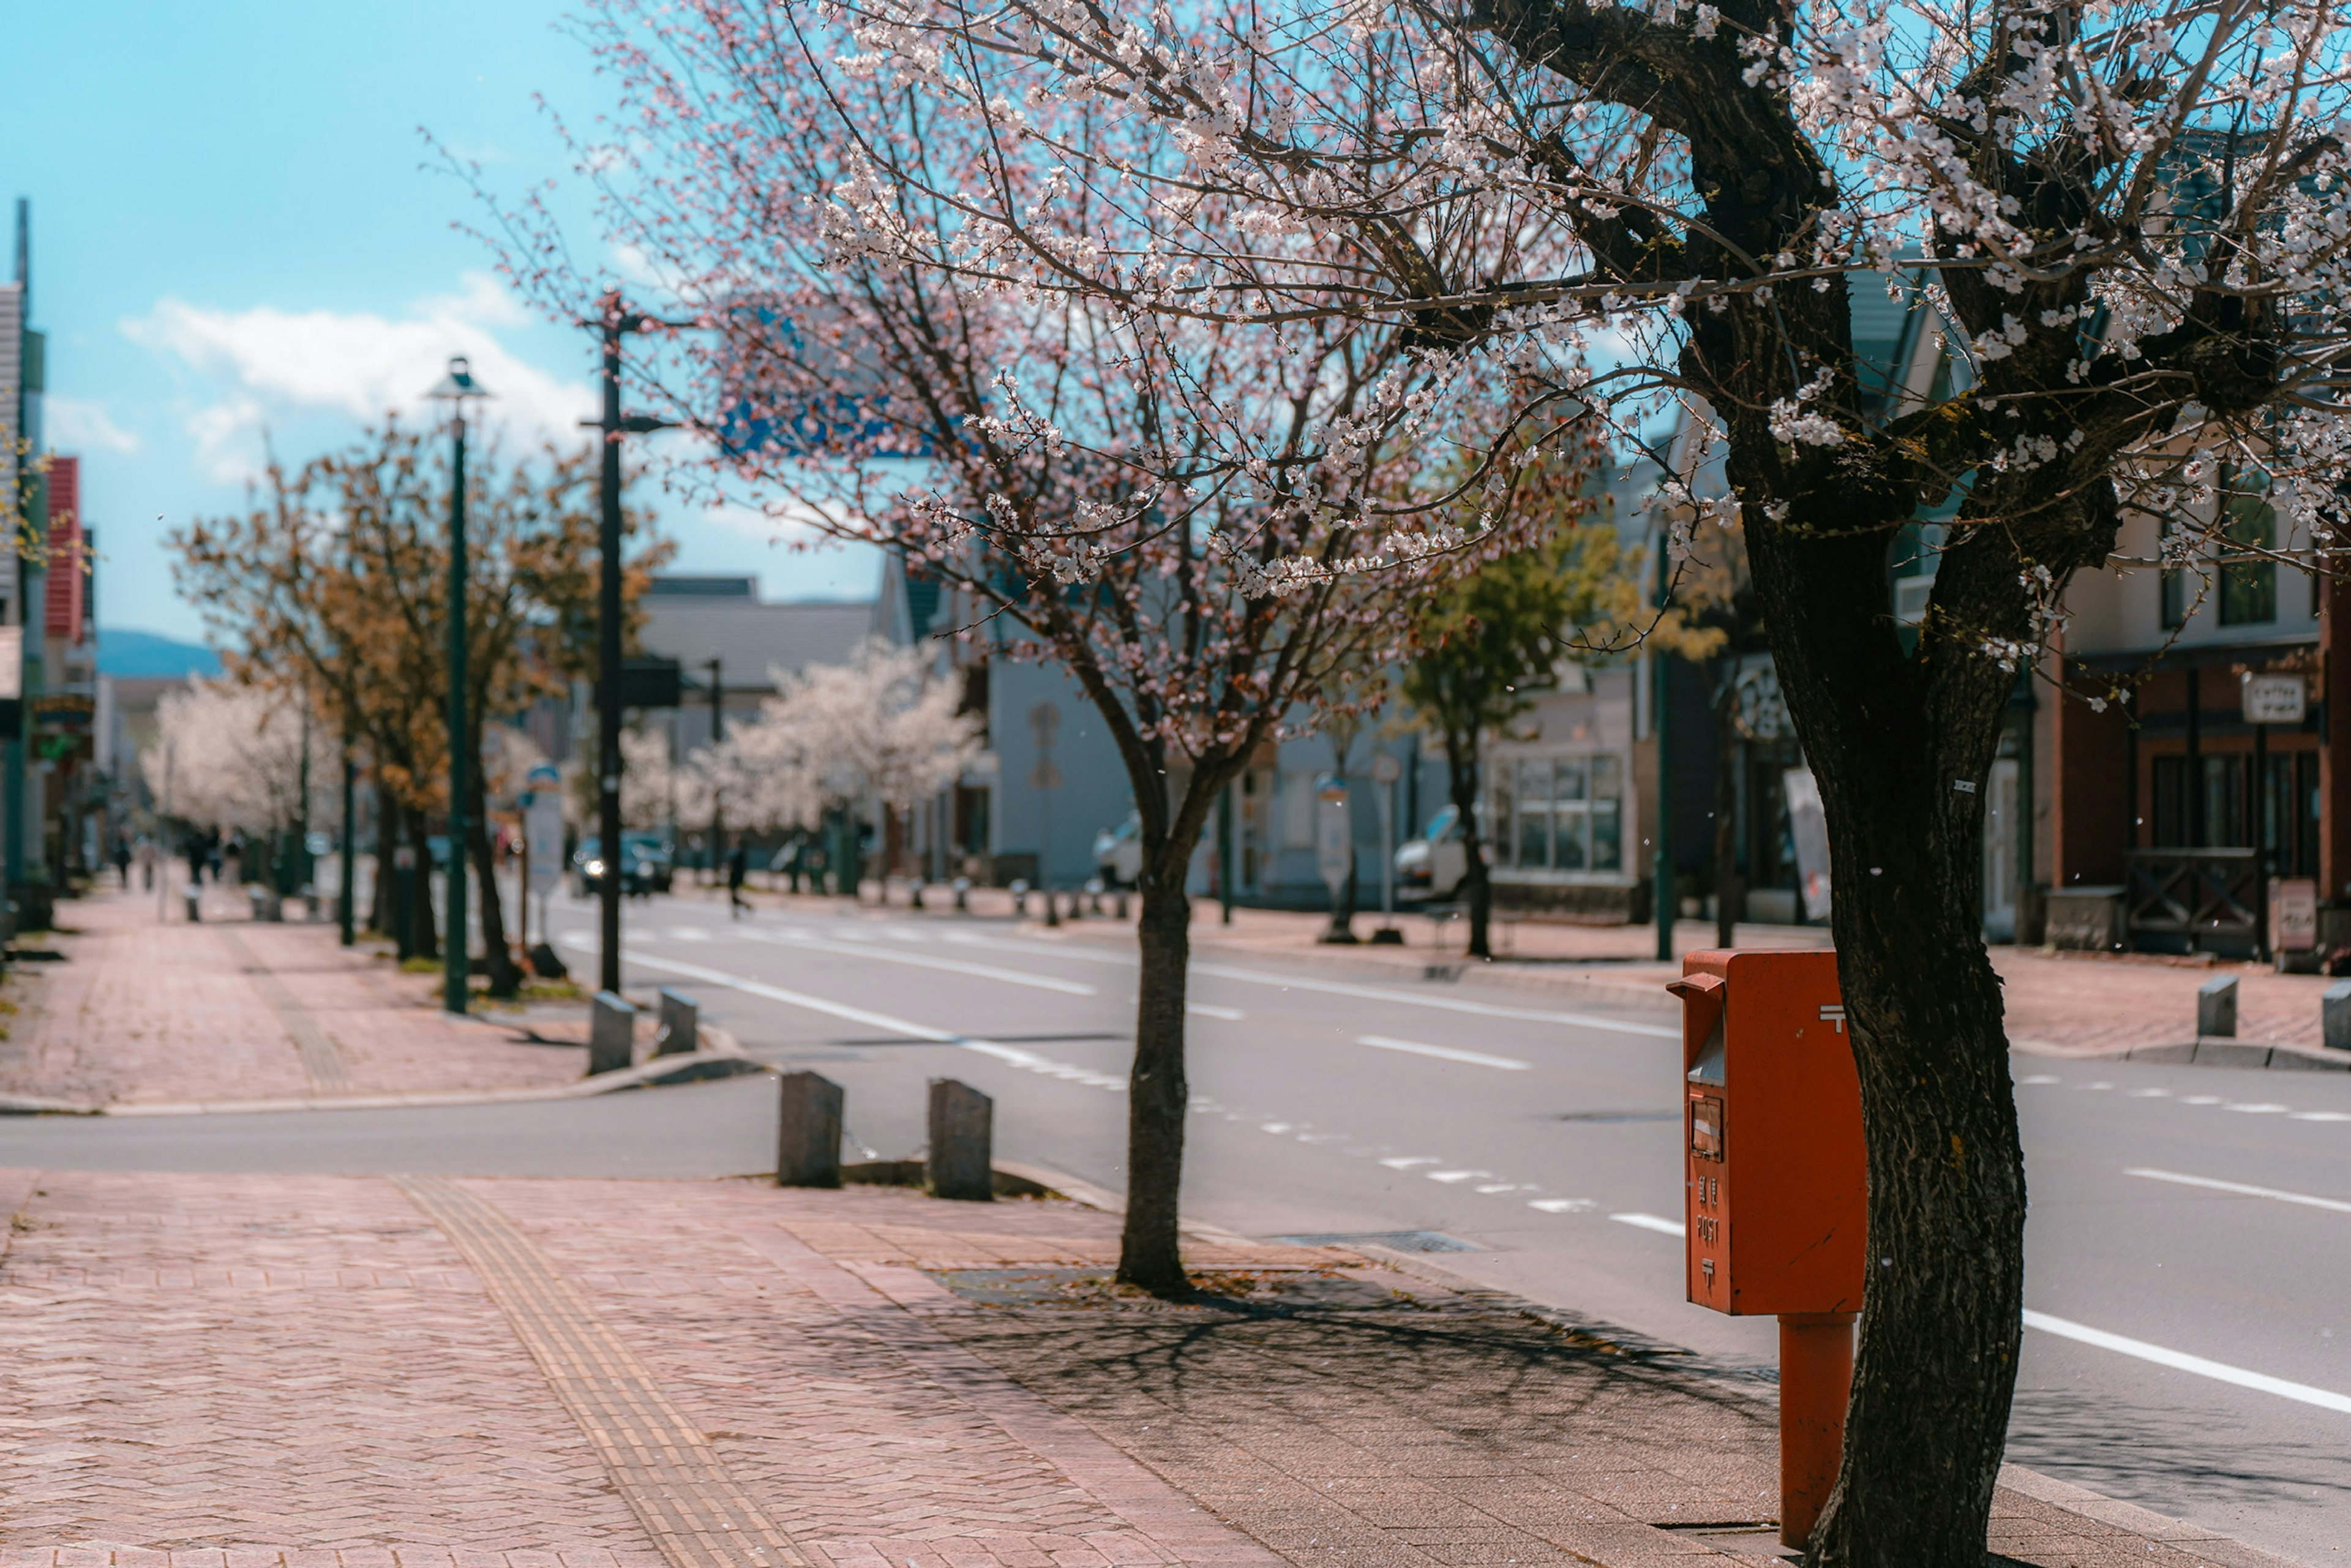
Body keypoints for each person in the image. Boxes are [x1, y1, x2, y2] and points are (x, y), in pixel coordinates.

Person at [726, 841, 751, 919]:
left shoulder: (740, 853)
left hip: (737, 877)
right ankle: (743, 907)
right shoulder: (732, 853)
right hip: (732, 877)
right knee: (733, 895)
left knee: (735, 895)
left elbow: (741, 867)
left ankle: (739, 909)